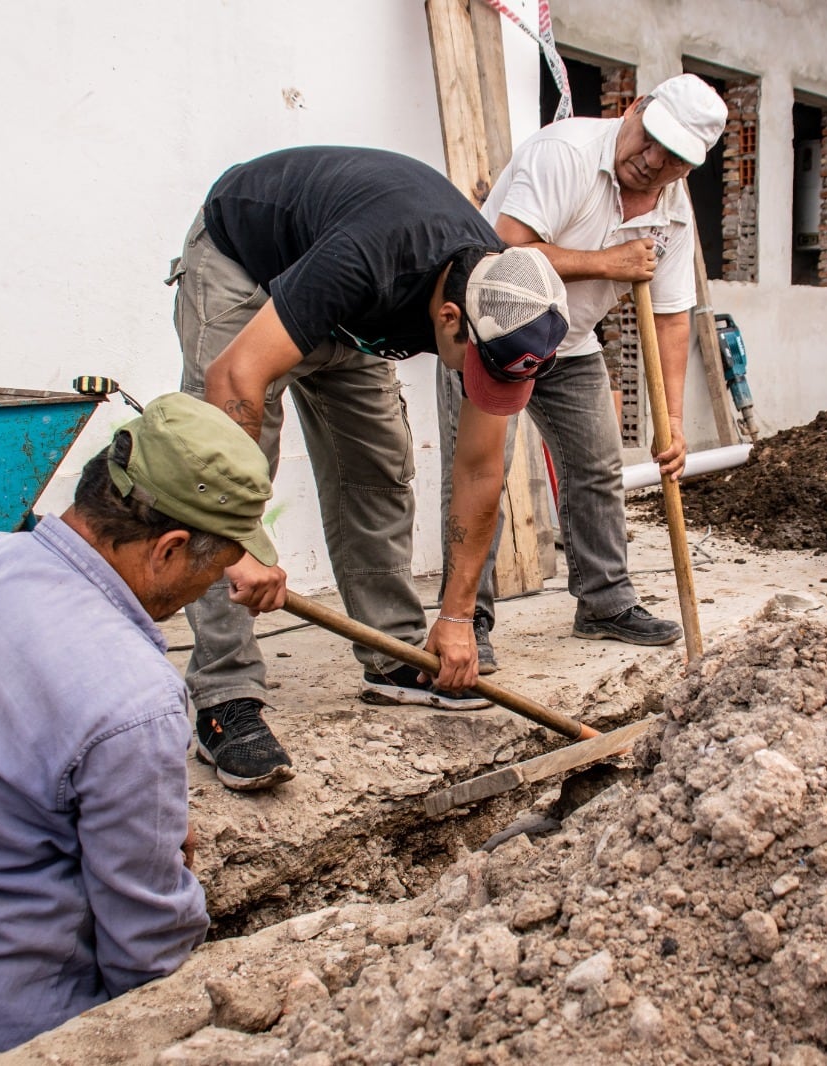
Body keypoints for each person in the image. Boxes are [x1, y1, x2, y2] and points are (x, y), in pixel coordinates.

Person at [0, 394, 275, 1066]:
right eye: (212, 575)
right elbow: (150, 959)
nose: (208, 591)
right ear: (169, 549)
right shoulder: (130, 695)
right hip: (11, 1037)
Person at [170, 146, 570, 790]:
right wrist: (234, 538)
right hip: (245, 266)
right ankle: (225, 696)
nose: (478, 389)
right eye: (475, 371)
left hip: (352, 313)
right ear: (448, 320)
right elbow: (234, 377)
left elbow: (477, 472)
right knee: (224, 466)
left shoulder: (498, 301)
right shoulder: (369, 259)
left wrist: (459, 616)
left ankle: (392, 654)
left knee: (379, 468)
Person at [436, 73, 729, 672]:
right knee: (478, 476)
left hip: (568, 345)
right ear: (635, 109)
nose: (650, 162)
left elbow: (673, 318)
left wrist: (670, 420)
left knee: (597, 467)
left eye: (672, 160)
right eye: (648, 140)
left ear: (689, 167)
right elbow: (504, 256)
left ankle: (605, 602)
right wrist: (607, 263)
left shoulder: (672, 213)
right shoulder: (564, 155)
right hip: (493, 334)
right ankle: (469, 620)